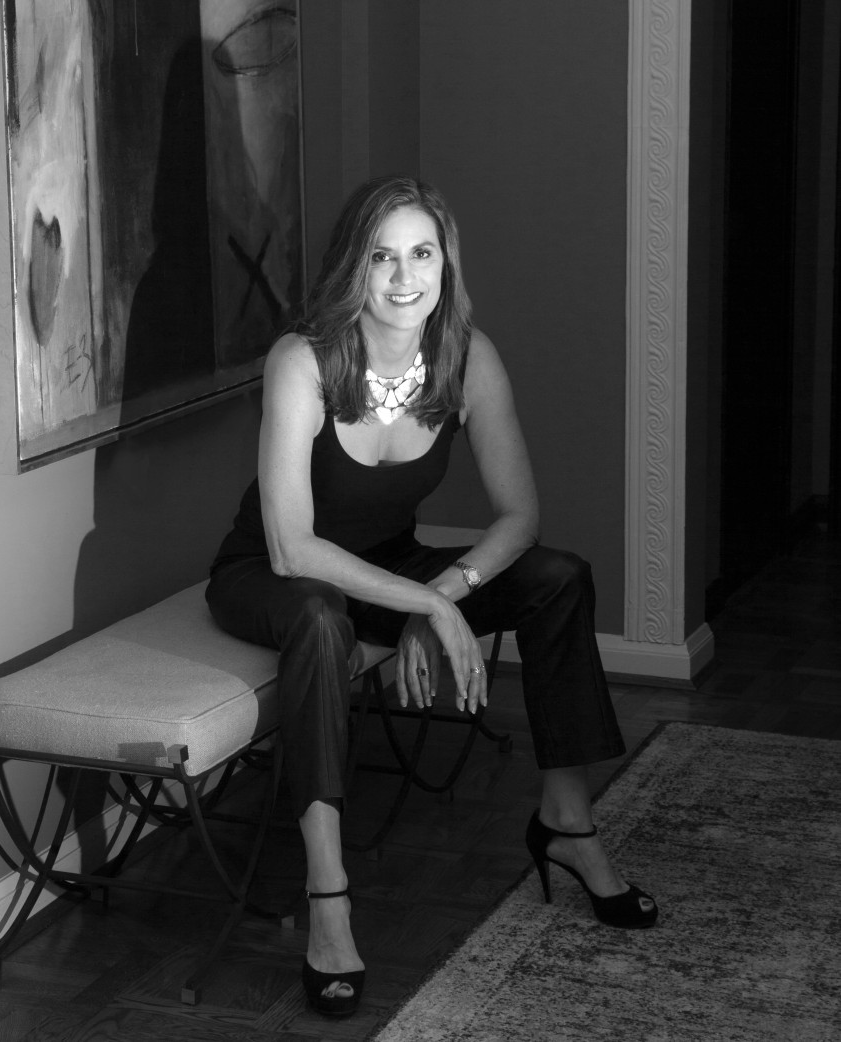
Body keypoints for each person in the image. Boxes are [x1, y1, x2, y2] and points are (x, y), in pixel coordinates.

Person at [206, 174, 658, 1017]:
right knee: (319, 619)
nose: (404, 276)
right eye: (383, 256)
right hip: (269, 579)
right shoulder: (302, 360)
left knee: (559, 578)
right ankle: (328, 894)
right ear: (355, 266)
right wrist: (427, 607)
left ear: (446, 265)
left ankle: (565, 824)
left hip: (388, 567)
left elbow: (520, 517)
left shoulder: (465, 356)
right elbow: (290, 546)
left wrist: (442, 591)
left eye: (422, 254)